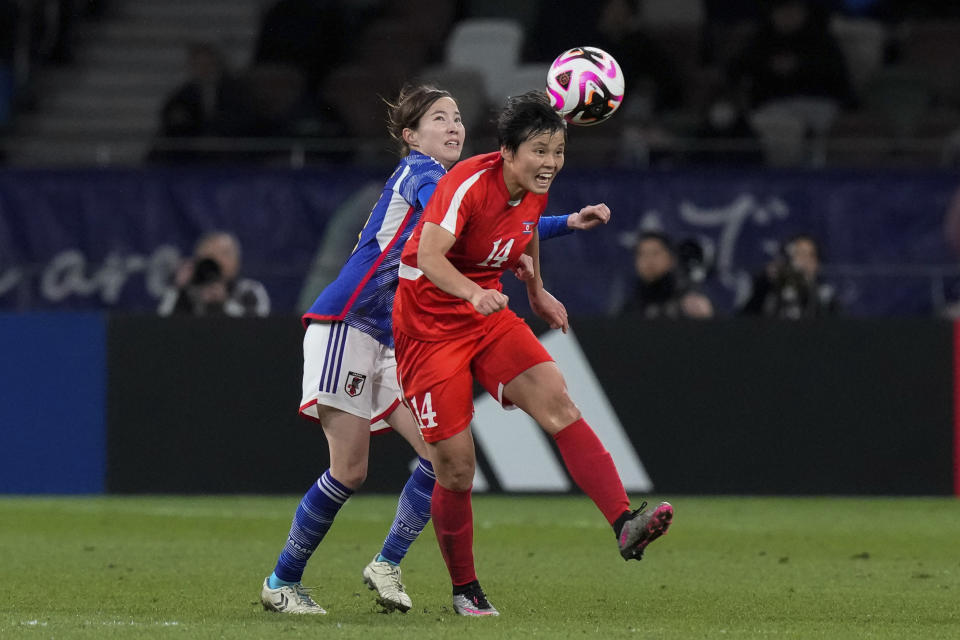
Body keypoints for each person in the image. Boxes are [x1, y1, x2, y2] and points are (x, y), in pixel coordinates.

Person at [259, 85, 610, 616]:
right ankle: (282, 581)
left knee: (441, 457)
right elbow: (447, 220)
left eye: (457, 118)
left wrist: (560, 225)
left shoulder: (460, 184)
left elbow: (488, 226)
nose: (453, 126)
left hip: (398, 337)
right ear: (410, 137)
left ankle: (386, 562)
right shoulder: (423, 176)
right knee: (350, 471)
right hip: (347, 324)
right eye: (438, 118)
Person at [392, 90, 673, 617]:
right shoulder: (466, 183)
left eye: (558, 151)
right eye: (540, 151)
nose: (550, 163)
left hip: (487, 317)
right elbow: (429, 256)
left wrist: (538, 290)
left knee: (559, 402)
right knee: (455, 468)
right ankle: (465, 589)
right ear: (506, 151)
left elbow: (522, 233)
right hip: (428, 330)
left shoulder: (535, 187)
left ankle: (623, 523)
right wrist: (475, 293)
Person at [156, 230, 270, 317]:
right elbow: (162, 325)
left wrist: (224, 303)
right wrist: (178, 289)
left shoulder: (249, 291)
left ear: (237, 262)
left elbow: (258, 329)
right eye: (209, 256)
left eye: (224, 254)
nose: (217, 260)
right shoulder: (186, 292)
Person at [739, 233, 839, 318]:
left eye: (810, 255)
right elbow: (744, 320)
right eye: (799, 254)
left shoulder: (824, 297)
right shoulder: (772, 292)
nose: (804, 261)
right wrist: (763, 284)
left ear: (817, 263)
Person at [620, 231, 714, 319]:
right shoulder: (630, 306)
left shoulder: (689, 299)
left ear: (671, 259)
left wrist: (708, 317)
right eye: (642, 254)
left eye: (655, 253)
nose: (648, 260)